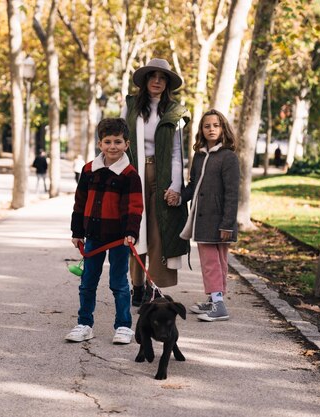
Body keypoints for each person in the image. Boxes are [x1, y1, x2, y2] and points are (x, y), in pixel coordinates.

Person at [121, 58, 191, 307]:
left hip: (161, 178)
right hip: (134, 175)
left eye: (162, 78)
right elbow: (120, 141)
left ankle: (153, 287)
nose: (157, 82)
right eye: (153, 77)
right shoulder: (130, 106)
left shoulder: (174, 111)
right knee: (134, 231)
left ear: (167, 83)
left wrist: (174, 186)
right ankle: (136, 287)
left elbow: (176, 152)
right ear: (146, 80)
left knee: (157, 233)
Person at [67, 118, 143, 344]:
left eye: (118, 142)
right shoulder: (89, 170)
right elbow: (79, 203)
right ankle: (84, 324)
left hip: (119, 239)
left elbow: (135, 206)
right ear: (100, 144)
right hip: (93, 237)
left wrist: (131, 231)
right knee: (88, 282)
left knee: (118, 282)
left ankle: (123, 326)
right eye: (107, 141)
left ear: (126, 145)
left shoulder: (130, 175)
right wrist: (77, 231)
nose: (112, 146)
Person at [179, 109, 239, 322]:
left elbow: (233, 193)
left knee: (212, 261)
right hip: (203, 219)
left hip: (219, 221)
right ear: (201, 130)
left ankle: (219, 305)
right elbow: (193, 185)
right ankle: (216, 300)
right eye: (207, 126)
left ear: (223, 128)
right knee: (217, 261)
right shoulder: (199, 156)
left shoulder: (228, 157)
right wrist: (178, 197)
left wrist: (227, 224)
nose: (211, 129)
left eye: (216, 125)